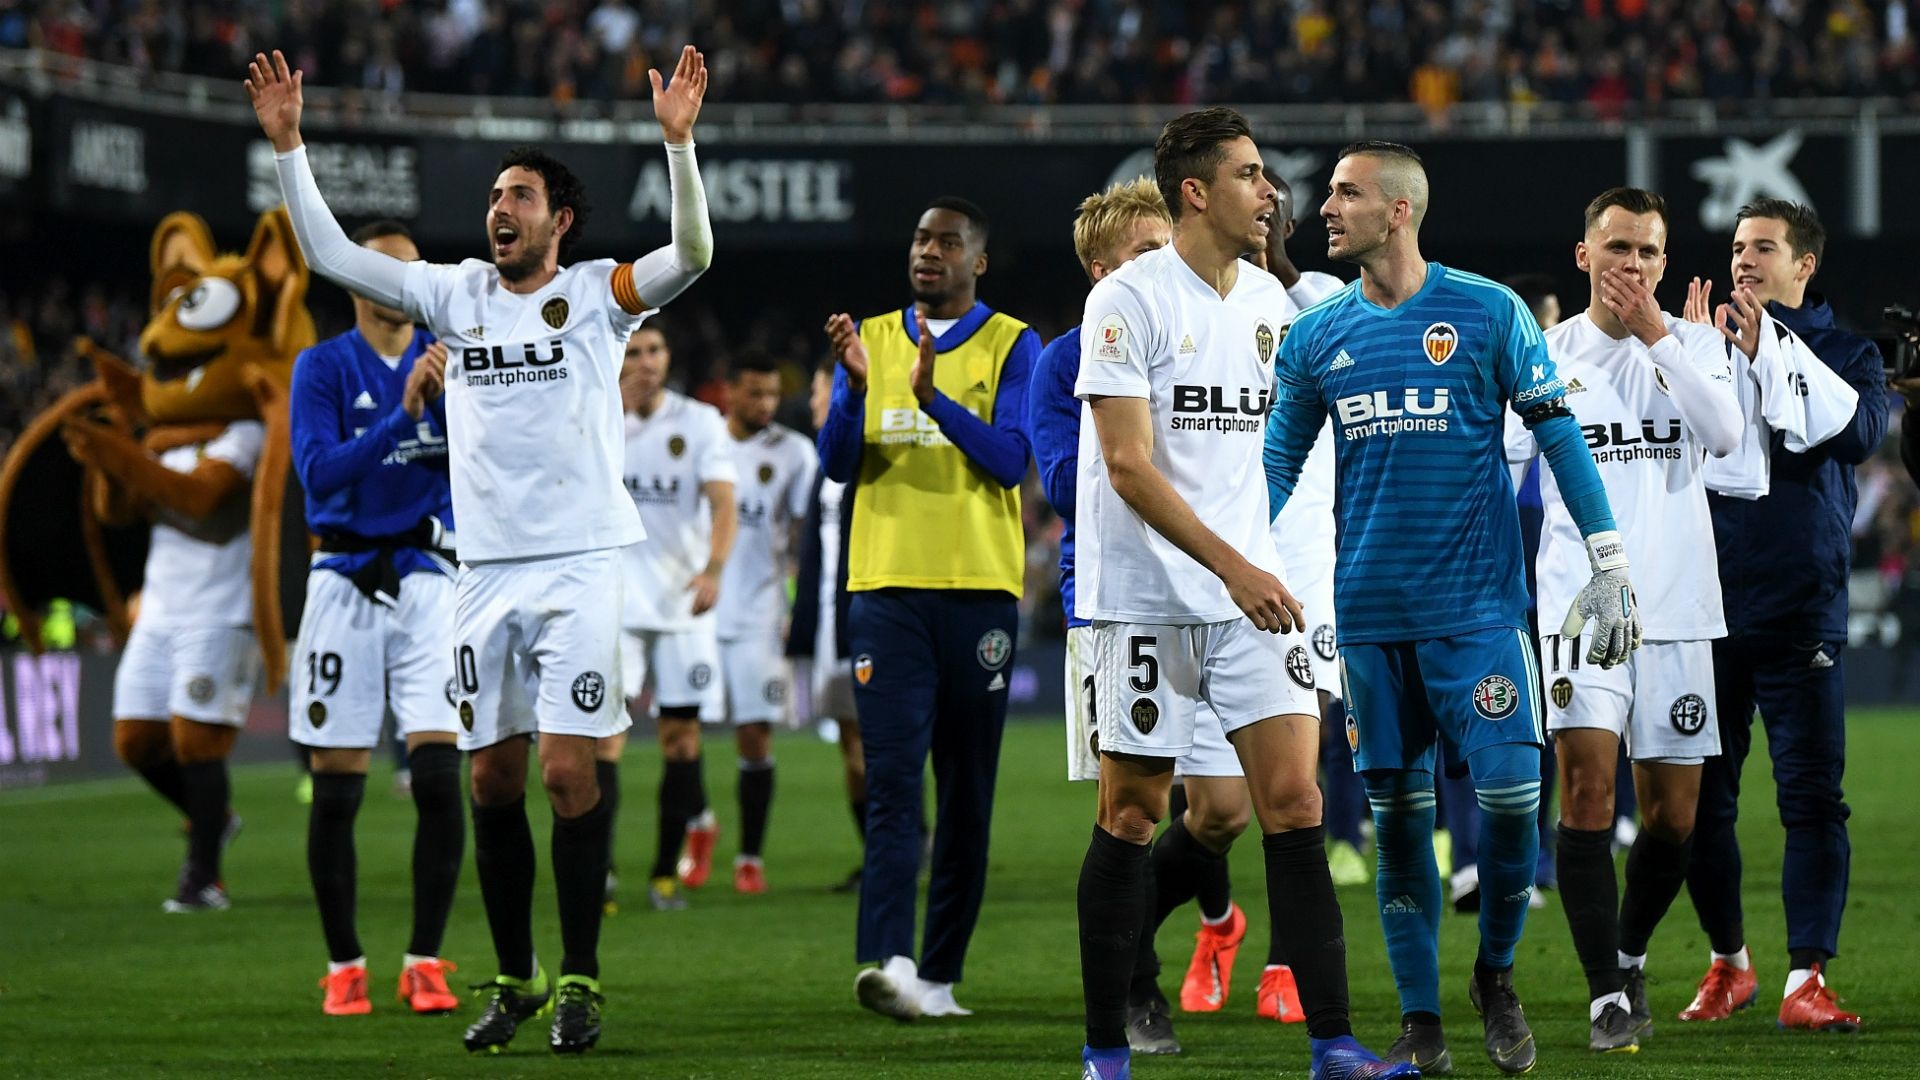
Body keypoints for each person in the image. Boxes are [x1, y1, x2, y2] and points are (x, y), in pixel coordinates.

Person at [250, 43, 713, 1054]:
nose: (500, 206)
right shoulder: (451, 292)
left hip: (584, 563)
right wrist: (290, 148)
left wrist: (678, 148)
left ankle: (582, 976)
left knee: (567, 776)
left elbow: (693, 258)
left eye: (521, 195)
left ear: (560, 220)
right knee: (490, 780)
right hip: (482, 571)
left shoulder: (597, 292)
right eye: (497, 193)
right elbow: (333, 257)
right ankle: (516, 977)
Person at [1264, 140, 1641, 1076]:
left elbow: (1559, 435)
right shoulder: (1315, 338)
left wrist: (1605, 555)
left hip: (1479, 613)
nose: (1326, 209)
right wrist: (1227, 566)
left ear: (1398, 210)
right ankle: (1422, 1017)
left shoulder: (1488, 311)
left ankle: (1497, 975)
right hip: (1371, 619)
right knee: (1398, 823)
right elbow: (1273, 468)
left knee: (1516, 802)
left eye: (1346, 194)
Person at [1071, 107, 1409, 1080]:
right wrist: (1236, 566)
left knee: (1295, 801)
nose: (1271, 191)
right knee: (1133, 813)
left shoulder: (1272, 301)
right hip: (1146, 601)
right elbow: (1130, 468)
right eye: (1252, 175)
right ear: (1196, 192)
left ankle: (1334, 1045)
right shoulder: (1128, 302)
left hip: (1254, 601)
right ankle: (1105, 1052)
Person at [1504, 188, 1742, 1053]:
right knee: (1589, 793)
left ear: (1664, 262)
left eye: (1647, 252)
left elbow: (1722, 433)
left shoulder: (1699, 349)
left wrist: (1659, 337)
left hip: (1679, 608)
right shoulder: (1545, 355)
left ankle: (1630, 955)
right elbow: (1500, 461)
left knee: (1676, 818)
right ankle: (1606, 995)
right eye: (1616, 249)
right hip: (1583, 606)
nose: (1631, 266)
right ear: (1583, 257)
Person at [820, 195, 1037, 1022]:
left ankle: (941, 976)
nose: (928, 251)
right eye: (919, 237)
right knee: (892, 785)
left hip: (979, 590)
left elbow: (1011, 461)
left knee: (969, 790)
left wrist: (934, 399)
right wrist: (850, 390)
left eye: (948, 242)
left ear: (977, 261)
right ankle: (893, 962)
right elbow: (840, 464)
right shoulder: (866, 338)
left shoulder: (1013, 343)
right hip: (885, 588)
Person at [1682, 198, 1887, 1032]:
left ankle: (1809, 976)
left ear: (1805, 264)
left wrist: (1767, 348)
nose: (1743, 260)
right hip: (1703, 606)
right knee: (1699, 802)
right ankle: (1729, 962)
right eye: (1736, 247)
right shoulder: (1699, 344)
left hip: (1802, 608)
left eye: (1763, 247)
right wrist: (1679, 354)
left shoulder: (1847, 352)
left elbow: (1862, 433)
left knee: (1810, 801)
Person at [286, 220, 467, 1017]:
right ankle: (344, 965)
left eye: (413, 272)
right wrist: (403, 415)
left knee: (438, 779)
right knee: (337, 793)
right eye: (389, 273)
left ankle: (426, 961)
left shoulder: (452, 354)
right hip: (343, 581)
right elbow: (319, 473)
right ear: (357, 282)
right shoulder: (322, 367)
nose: (405, 286)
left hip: (430, 581)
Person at [608, 323, 736, 913]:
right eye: (633, 352)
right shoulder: (598, 415)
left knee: (681, 741)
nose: (645, 362)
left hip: (684, 604)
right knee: (602, 742)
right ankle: (600, 870)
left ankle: (664, 873)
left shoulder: (700, 422)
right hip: (613, 604)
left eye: (655, 350)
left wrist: (712, 569)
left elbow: (723, 502)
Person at [710, 347, 817, 891]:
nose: (765, 403)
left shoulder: (795, 453)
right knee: (680, 733)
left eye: (773, 393)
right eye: (754, 392)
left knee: (754, 735)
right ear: (729, 391)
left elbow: (806, 535)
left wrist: (798, 605)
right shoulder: (703, 442)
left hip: (758, 609)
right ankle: (698, 823)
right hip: (696, 609)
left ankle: (748, 857)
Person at [788, 360, 865, 894]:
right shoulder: (824, 465)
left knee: (868, 750)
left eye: (819, 392)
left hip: (861, 621)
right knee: (851, 747)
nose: (814, 402)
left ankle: (900, 848)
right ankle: (886, 851)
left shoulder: (861, 459)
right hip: (828, 627)